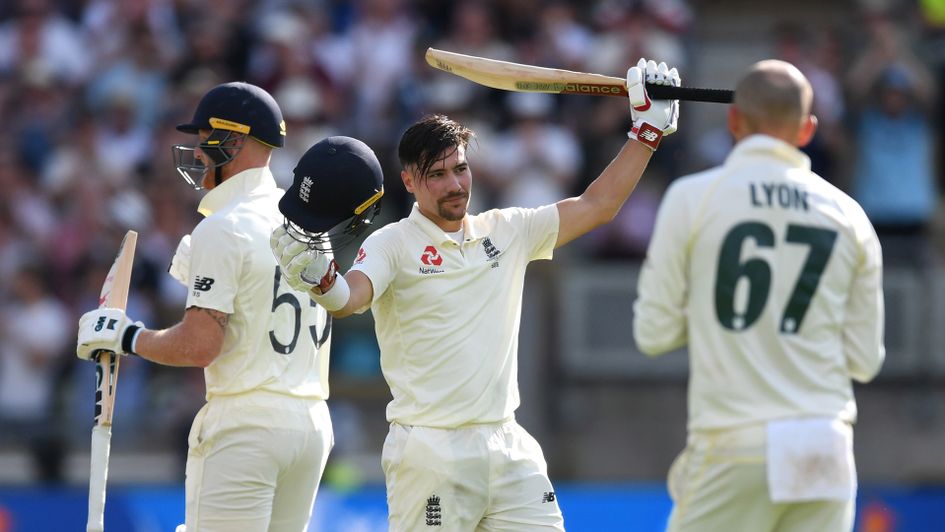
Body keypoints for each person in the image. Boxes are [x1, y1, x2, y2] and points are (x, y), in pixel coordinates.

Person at [270, 59, 680, 531]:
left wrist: (646, 133)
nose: (454, 185)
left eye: (460, 169)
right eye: (437, 175)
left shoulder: (508, 230)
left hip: (508, 444)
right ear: (408, 181)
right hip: (430, 452)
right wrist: (322, 281)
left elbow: (597, 206)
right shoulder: (392, 244)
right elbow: (351, 298)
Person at [75, 82, 384, 531]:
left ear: (233, 139)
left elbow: (200, 346)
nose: (197, 153)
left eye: (204, 141)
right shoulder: (303, 223)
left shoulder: (223, 227)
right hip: (311, 424)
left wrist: (126, 336)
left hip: (246, 426)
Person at [633, 60, 885, 532]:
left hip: (734, 441)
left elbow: (653, 333)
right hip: (823, 444)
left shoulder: (692, 197)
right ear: (807, 129)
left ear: (733, 121)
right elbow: (865, 362)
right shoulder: (850, 216)